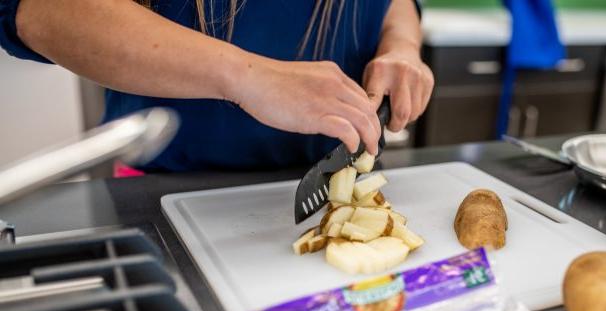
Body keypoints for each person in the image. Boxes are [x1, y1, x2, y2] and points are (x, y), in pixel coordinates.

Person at [0, 0, 433, 172]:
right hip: (166, 191)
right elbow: (40, 10)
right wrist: (248, 77)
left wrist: (402, 44)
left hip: (326, 182)